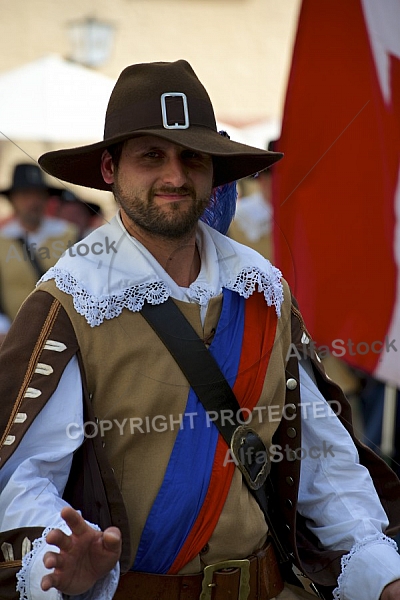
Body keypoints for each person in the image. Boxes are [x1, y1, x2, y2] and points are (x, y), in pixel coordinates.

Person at [0, 60, 400, 600]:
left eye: (193, 157)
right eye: (151, 156)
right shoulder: (71, 301)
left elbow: (324, 462)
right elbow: (24, 480)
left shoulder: (264, 290)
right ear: (110, 169)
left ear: (215, 172)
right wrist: (59, 558)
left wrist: (380, 574)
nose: (175, 176)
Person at [0, 163, 78, 342]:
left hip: (63, 337)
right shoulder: (3, 240)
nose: (32, 202)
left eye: (38, 195)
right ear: (13, 200)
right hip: (12, 337)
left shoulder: (70, 235)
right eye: (25, 195)